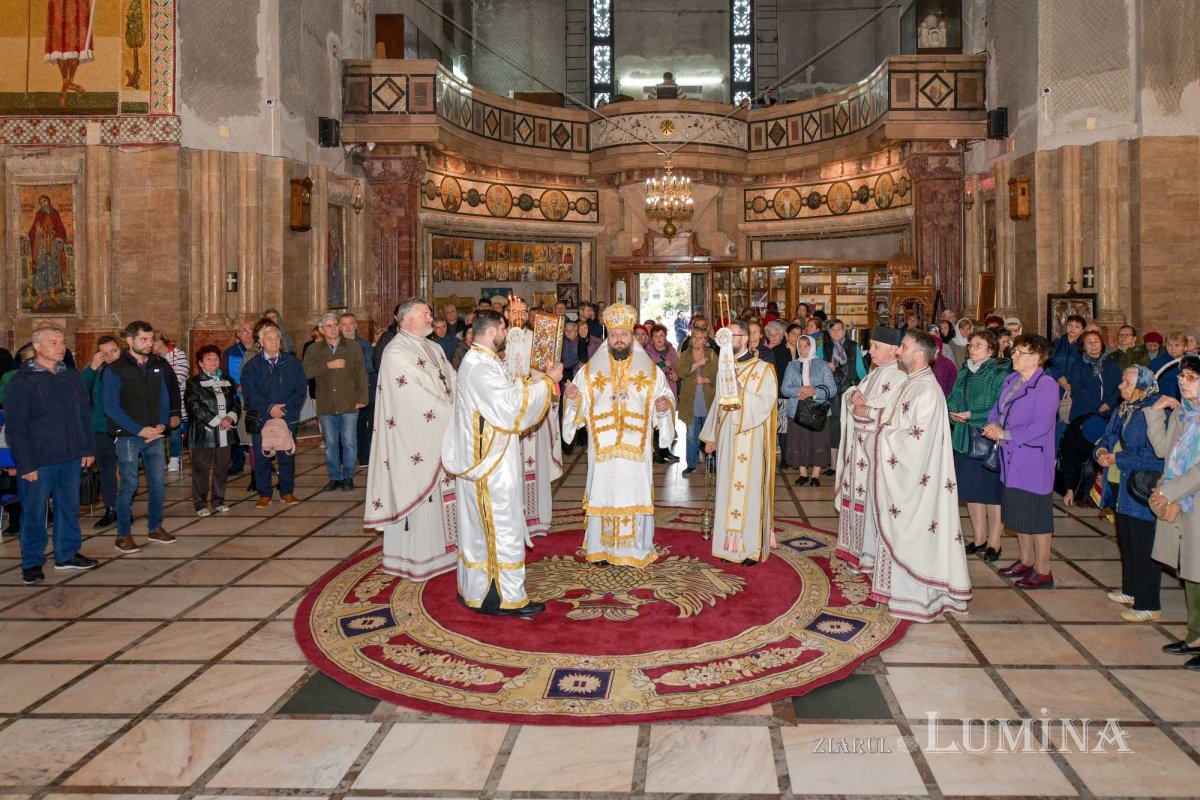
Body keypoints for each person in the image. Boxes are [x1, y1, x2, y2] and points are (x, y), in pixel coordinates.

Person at [443, 310, 561, 615]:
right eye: (504, 328)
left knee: (481, 530)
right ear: (493, 331)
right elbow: (510, 407)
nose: (507, 333)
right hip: (489, 466)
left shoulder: (482, 361)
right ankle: (504, 597)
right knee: (501, 526)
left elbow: (505, 394)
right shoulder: (480, 367)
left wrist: (534, 380)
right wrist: (548, 382)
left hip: (487, 459)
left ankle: (477, 590)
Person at [851, 329, 972, 620]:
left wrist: (877, 433)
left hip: (917, 481)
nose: (898, 351)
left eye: (903, 347)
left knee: (915, 534)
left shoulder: (927, 391)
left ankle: (919, 597)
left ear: (919, 354)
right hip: (908, 477)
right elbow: (893, 417)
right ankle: (898, 591)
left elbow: (916, 440)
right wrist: (870, 415)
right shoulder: (912, 383)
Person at [563, 303, 676, 567]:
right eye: (614, 335)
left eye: (624, 334)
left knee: (634, 493)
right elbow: (580, 401)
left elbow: (665, 397)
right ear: (608, 337)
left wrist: (663, 407)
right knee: (603, 493)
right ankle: (600, 549)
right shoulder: (591, 370)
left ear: (631, 337)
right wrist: (573, 397)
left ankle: (635, 550)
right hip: (603, 450)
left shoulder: (650, 370)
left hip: (636, 449)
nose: (619, 340)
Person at [366, 298, 458, 580]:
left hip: (441, 431)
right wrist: (454, 413)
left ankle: (447, 553)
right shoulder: (396, 351)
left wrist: (467, 402)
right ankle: (416, 560)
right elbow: (413, 397)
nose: (431, 318)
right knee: (420, 495)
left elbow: (452, 379)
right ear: (406, 320)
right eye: (425, 314)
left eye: (430, 314)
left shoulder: (434, 347)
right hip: (415, 440)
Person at [5, 325, 97, 584]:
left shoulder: (70, 376)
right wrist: (26, 464)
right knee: (34, 513)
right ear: (37, 347)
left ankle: (66, 554)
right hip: (39, 461)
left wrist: (87, 448)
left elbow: (84, 414)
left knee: (69, 508)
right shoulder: (21, 382)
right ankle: (32, 562)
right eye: (54, 342)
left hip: (70, 456)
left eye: (62, 342)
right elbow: (16, 428)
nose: (60, 347)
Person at [984, 334, 1060, 589]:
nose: (1013, 356)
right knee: (1018, 512)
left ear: (1036, 358)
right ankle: (1026, 560)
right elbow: (997, 408)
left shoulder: (1047, 385)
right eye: (1014, 351)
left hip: (1032, 459)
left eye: (1020, 353)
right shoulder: (1012, 379)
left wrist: (1006, 434)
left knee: (1037, 516)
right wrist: (993, 425)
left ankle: (1043, 570)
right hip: (1011, 457)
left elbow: (1041, 425)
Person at [701, 320, 779, 565]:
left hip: (751, 439)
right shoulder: (724, 368)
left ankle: (751, 548)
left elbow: (766, 404)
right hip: (727, 439)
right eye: (723, 335)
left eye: (731, 335)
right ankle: (728, 547)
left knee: (750, 492)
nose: (725, 340)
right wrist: (712, 436)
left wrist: (740, 391)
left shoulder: (764, 370)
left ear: (744, 339)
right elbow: (718, 404)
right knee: (727, 490)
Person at [1094, 366, 1163, 621]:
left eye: (1127, 382)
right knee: (1126, 539)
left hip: (1140, 487)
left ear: (1143, 387)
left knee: (1143, 546)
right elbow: (1107, 436)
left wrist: (1117, 458)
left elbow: (1154, 455)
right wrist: (1102, 451)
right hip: (1120, 484)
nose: (1120, 386)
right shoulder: (1124, 408)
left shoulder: (1153, 411)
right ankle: (1131, 590)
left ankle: (1149, 604)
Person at [835, 327, 906, 571]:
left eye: (876, 347)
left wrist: (866, 410)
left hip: (876, 452)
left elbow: (894, 415)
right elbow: (854, 394)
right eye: (872, 345)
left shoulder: (900, 378)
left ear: (893, 350)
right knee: (857, 500)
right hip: (858, 451)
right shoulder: (874, 372)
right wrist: (853, 395)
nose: (871, 351)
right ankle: (856, 553)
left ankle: (870, 556)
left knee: (872, 504)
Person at [1147, 356, 1200, 670]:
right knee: (1191, 572)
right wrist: (1156, 413)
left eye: (1192, 377)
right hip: (1182, 501)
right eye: (1182, 376)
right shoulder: (1183, 414)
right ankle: (1195, 637)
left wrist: (1170, 491)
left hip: (1191, 498)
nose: (1184, 382)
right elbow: (1162, 450)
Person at [103, 320, 175, 554]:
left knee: (158, 483)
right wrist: (138, 429)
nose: (149, 344)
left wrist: (162, 423)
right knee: (129, 485)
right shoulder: (115, 369)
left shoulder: (156, 364)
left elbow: (163, 397)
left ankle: (155, 527)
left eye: (151, 339)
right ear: (130, 340)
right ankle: (123, 535)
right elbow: (111, 407)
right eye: (144, 339)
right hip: (129, 436)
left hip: (154, 434)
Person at [502, 296, 563, 536]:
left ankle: (536, 520)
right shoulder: (497, 340)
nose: (519, 316)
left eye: (523, 312)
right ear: (506, 314)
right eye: (514, 311)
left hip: (534, 411)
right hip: (505, 415)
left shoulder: (539, 340)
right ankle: (508, 521)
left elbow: (549, 374)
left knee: (535, 466)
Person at [948, 330, 1010, 561]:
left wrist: (972, 415)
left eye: (979, 345)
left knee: (992, 493)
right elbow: (954, 396)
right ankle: (979, 538)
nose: (973, 348)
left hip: (987, 437)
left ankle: (994, 542)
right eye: (971, 344)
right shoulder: (965, 369)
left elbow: (1000, 405)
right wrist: (952, 410)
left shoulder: (999, 371)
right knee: (972, 491)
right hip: (964, 438)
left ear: (991, 350)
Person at [241, 324, 307, 507]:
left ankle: (287, 492)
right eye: (269, 339)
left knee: (287, 455)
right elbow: (250, 393)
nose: (274, 342)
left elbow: (301, 389)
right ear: (261, 342)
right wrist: (269, 408)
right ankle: (264, 494)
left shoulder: (292, 362)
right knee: (262, 456)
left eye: (276, 338)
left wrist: (284, 409)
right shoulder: (252, 366)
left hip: (287, 416)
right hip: (262, 416)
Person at [304, 312, 369, 491]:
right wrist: (327, 366)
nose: (333, 328)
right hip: (326, 404)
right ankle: (334, 476)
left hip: (349, 402)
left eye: (335, 325)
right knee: (331, 444)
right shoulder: (314, 349)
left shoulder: (352, 346)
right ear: (321, 330)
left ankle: (348, 476)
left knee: (349, 443)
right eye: (329, 326)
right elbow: (306, 372)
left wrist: (362, 398)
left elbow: (361, 373)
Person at [184, 345, 240, 517]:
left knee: (222, 468)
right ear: (201, 363)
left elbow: (235, 403)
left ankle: (218, 500)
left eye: (216, 359)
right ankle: (200, 503)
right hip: (203, 433)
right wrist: (217, 421)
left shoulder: (228, 381)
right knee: (201, 469)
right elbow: (193, 407)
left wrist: (229, 418)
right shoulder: (193, 382)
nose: (213, 362)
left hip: (225, 431)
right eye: (209, 359)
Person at [781, 334, 836, 486]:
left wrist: (814, 392)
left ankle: (815, 475)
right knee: (799, 441)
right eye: (799, 346)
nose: (802, 349)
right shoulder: (792, 365)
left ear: (812, 347)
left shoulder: (822, 365)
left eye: (806, 346)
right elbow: (784, 389)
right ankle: (803, 474)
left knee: (818, 442)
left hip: (818, 410)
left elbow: (832, 390)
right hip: (796, 410)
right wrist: (800, 390)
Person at [80, 337, 121, 529]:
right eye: (105, 353)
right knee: (106, 470)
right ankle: (111, 508)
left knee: (127, 470)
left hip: (126, 427)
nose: (110, 356)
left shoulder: (130, 369)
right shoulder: (96, 371)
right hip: (101, 427)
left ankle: (125, 508)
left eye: (113, 351)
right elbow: (79, 389)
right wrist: (92, 367)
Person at [678, 322, 717, 476]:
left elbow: (720, 375)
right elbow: (681, 373)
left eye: (700, 338)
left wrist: (707, 380)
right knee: (691, 436)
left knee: (710, 435)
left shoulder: (712, 354)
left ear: (705, 340)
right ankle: (691, 464)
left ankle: (712, 463)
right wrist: (698, 364)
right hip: (690, 401)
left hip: (708, 400)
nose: (696, 340)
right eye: (694, 337)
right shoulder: (685, 354)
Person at [222, 323, 256, 475]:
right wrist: (236, 387)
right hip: (237, 396)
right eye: (244, 330)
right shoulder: (231, 352)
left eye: (251, 330)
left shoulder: (261, 349)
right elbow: (223, 375)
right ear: (238, 334)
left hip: (256, 397)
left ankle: (262, 464)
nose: (248, 333)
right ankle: (237, 462)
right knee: (235, 431)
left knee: (256, 431)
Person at [153, 332, 189, 472]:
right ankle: (161, 458)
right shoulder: (153, 358)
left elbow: (177, 379)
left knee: (175, 430)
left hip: (176, 400)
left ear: (160, 341)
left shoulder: (178, 355)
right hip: (159, 402)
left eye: (153, 341)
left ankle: (174, 457)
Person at [648, 325, 681, 464]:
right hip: (657, 390)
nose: (659, 339)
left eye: (661, 335)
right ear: (651, 338)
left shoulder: (671, 350)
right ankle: (658, 453)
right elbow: (649, 370)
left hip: (670, 387)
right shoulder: (648, 352)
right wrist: (662, 364)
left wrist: (676, 374)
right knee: (658, 420)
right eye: (655, 336)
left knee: (669, 419)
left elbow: (678, 367)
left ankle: (666, 450)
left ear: (665, 337)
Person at [1155, 332, 1187, 401]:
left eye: (1177, 345)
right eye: (1169, 345)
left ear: (1185, 347)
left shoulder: (1192, 363)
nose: (1172, 349)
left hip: (1186, 402)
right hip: (1162, 401)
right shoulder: (1156, 363)